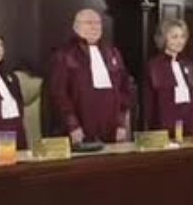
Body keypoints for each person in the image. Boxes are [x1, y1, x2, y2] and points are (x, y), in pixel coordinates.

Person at [48, 8, 132, 143]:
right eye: (89, 23)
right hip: (80, 128)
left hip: (111, 128)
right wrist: (72, 125)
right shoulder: (64, 55)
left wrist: (121, 124)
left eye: (98, 23)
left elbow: (124, 90)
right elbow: (59, 94)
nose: (95, 27)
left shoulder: (113, 52)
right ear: (76, 27)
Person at [142, 18, 193, 140]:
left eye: (182, 36)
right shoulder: (153, 66)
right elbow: (148, 105)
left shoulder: (189, 65)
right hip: (163, 130)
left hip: (190, 128)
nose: (179, 41)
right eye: (174, 37)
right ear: (164, 39)